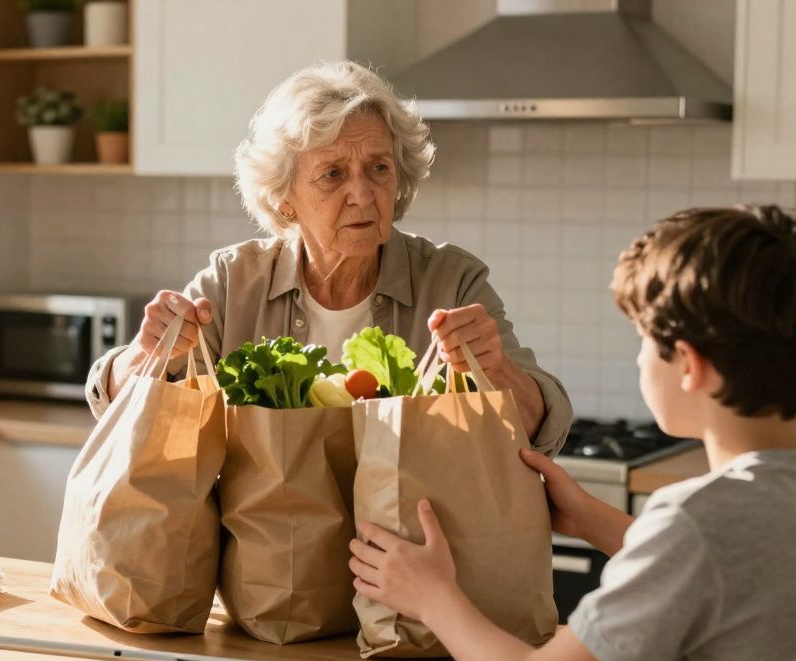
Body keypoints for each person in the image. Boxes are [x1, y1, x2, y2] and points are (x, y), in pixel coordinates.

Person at [349, 205, 796, 661]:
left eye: (645, 341)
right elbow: (730, 574)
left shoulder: (696, 521)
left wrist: (433, 597)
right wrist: (587, 519)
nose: (638, 359)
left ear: (690, 365)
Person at [85, 60, 572, 454]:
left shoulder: (452, 282)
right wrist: (142, 358)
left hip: (412, 562)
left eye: (378, 168)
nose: (362, 194)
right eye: (333, 174)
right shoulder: (233, 282)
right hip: (269, 566)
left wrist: (497, 371)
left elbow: (541, 429)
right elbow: (116, 407)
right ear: (285, 196)